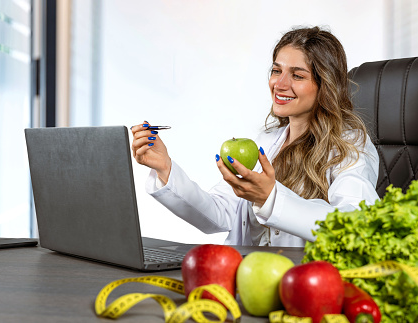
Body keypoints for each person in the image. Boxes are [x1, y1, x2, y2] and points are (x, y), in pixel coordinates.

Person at [130, 26, 380, 247]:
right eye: (276, 71)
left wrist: (270, 199)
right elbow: (220, 213)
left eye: (297, 75)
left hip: (303, 280)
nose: (279, 84)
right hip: (252, 275)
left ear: (325, 84)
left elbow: (354, 223)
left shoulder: (350, 146)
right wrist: (165, 168)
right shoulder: (267, 142)